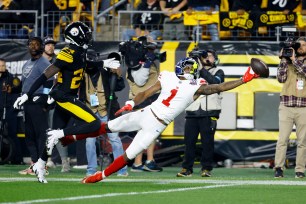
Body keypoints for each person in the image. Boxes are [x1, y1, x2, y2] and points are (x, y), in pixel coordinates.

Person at [59, 57, 259, 183]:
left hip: (156, 126)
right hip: (145, 113)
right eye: (186, 67)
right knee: (105, 127)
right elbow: (145, 93)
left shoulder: (196, 86)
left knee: (130, 155)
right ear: (181, 66)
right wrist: (130, 104)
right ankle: (72, 137)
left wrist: (243, 79)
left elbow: (219, 88)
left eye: (191, 69)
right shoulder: (168, 76)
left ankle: (99, 176)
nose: (188, 70)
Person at [13, 21, 120, 183]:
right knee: (94, 124)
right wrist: (28, 94)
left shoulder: (79, 52)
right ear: (77, 36)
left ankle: (39, 164)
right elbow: (46, 74)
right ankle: (57, 135)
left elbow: (86, 64)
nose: (89, 37)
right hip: (63, 96)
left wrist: (104, 63)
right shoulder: (67, 53)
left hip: (67, 96)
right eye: (86, 34)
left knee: (57, 131)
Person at [80, 51, 128, 177]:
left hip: (107, 111)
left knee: (115, 140)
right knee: (89, 142)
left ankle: (122, 169)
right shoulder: (81, 74)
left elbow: (120, 87)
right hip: (90, 112)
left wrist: (118, 76)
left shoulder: (105, 72)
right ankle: (91, 170)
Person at [177, 49, 224, 177]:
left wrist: (201, 68)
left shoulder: (218, 72)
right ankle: (187, 168)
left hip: (209, 113)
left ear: (215, 59)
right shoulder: (192, 71)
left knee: (207, 143)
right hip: (192, 111)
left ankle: (206, 168)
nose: (207, 58)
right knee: (189, 143)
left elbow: (215, 82)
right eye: (205, 56)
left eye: (210, 56)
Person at [121, 36, 162, 172]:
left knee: (146, 131)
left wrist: (150, 59)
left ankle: (141, 162)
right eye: (149, 48)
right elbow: (140, 80)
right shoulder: (136, 61)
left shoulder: (144, 60)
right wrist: (148, 62)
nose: (152, 50)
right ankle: (146, 161)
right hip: (143, 99)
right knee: (149, 131)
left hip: (147, 99)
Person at [17, 36, 54, 175]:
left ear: (41, 46)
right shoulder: (26, 63)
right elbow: (24, 84)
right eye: (30, 44)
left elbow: (50, 81)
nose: (33, 46)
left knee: (40, 135)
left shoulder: (44, 62)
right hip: (27, 101)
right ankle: (34, 164)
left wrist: (44, 100)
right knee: (29, 134)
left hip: (37, 101)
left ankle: (42, 165)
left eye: (36, 44)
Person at [274, 37, 306, 179]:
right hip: (286, 105)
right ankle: (278, 168)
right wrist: (283, 60)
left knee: (302, 141)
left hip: (303, 106)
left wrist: (293, 60)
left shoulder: (298, 62)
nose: (301, 47)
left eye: (304, 45)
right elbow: (280, 79)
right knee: (282, 140)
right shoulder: (287, 61)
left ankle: (300, 170)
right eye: (299, 44)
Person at [42, 36, 71, 173]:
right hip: (40, 101)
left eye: (52, 44)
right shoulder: (37, 62)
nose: (51, 47)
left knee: (57, 131)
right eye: (48, 44)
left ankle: (65, 161)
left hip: (56, 101)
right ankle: (46, 159)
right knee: (43, 131)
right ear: (43, 46)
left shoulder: (58, 60)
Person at [0, 58, 23, 164]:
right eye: (0, 65)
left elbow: (18, 89)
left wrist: (12, 107)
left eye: (3, 65)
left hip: (9, 109)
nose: (2, 67)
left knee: (12, 133)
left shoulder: (11, 78)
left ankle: (17, 159)